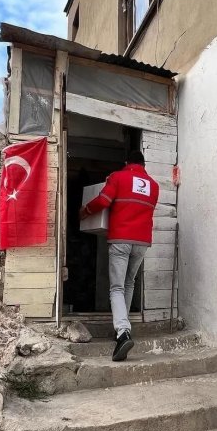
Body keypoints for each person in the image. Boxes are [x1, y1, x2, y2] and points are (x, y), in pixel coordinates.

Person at [79, 151, 159, 361]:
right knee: (129, 283)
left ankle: (123, 332)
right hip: (142, 242)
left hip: (121, 239)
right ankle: (122, 329)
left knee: (116, 287)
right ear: (143, 164)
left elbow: (104, 202)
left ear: (127, 162)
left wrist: (85, 210)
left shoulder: (118, 177)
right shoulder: (154, 185)